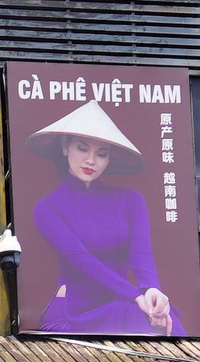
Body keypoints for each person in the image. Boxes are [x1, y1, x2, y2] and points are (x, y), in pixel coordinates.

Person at [25, 105, 178, 336]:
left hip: (125, 302)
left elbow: (141, 254)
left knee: (164, 320)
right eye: (82, 148)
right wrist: (136, 295)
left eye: (101, 154)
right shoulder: (47, 208)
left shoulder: (131, 200)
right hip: (75, 312)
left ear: (108, 159)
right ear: (65, 147)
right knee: (135, 316)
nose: (90, 160)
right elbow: (82, 261)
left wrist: (152, 291)